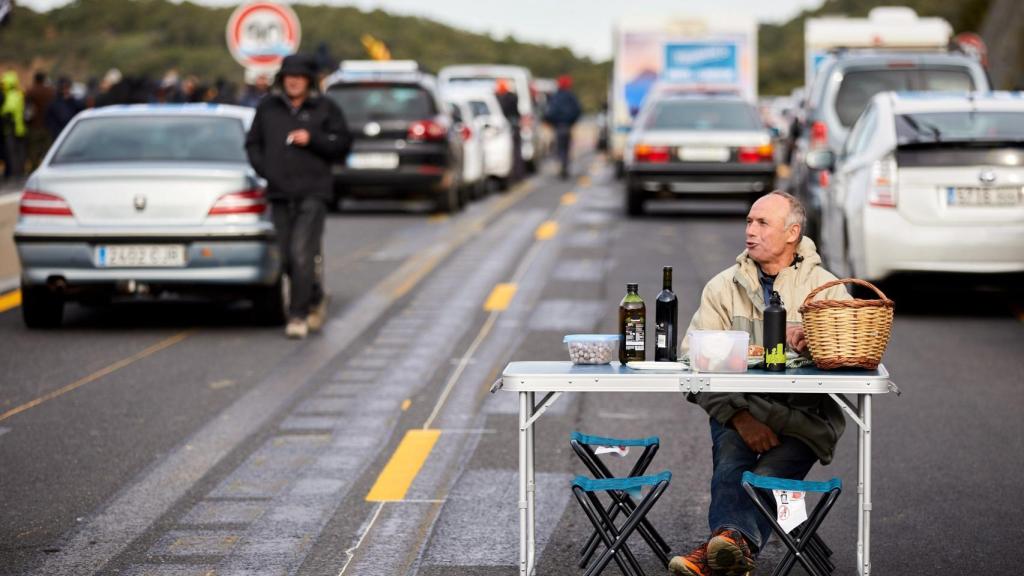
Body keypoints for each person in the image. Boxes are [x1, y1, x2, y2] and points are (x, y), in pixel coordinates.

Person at [669, 191, 851, 576]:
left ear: (792, 233)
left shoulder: (826, 289)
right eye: (749, 221)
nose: (750, 231)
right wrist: (740, 416)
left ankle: (723, 548)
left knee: (764, 480)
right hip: (741, 409)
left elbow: (850, 357)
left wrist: (814, 340)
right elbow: (692, 362)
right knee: (734, 465)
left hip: (804, 420)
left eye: (762, 223)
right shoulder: (721, 287)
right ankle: (731, 550)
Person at [245, 53, 350, 339]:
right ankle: (314, 294)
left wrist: (313, 139)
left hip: (313, 192)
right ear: (282, 79)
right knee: (288, 258)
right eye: (289, 76)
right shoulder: (268, 107)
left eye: (299, 77)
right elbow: (252, 143)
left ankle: (298, 314)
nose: (293, 81)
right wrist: (266, 169)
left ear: (309, 81)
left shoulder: (325, 108)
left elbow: (342, 144)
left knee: (302, 253)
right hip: (280, 192)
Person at [543, 75, 582, 179]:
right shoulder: (571, 96)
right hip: (567, 126)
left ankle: (562, 165)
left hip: (558, 126)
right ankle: (564, 165)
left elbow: (549, 112)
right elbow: (578, 110)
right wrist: (572, 122)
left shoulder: (556, 96)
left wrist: (551, 122)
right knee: (566, 148)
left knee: (559, 148)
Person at [25, 71, 55, 171]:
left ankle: (34, 171)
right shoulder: (50, 91)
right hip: (48, 125)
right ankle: (48, 170)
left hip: (35, 126)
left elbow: (27, 110)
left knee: (33, 151)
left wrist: (26, 122)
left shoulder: (31, 91)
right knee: (48, 151)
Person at [495, 79, 524, 181]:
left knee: (513, 151)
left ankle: (515, 173)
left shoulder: (497, 98)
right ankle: (517, 174)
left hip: (507, 127)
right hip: (512, 126)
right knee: (515, 151)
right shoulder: (512, 97)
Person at [1, 71, 27, 179]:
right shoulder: (19, 94)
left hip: (10, 128)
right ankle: (19, 171)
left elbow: (8, 111)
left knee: (12, 152)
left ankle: (15, 172)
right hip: (19, 127)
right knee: (19, 151)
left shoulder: (9, 96)